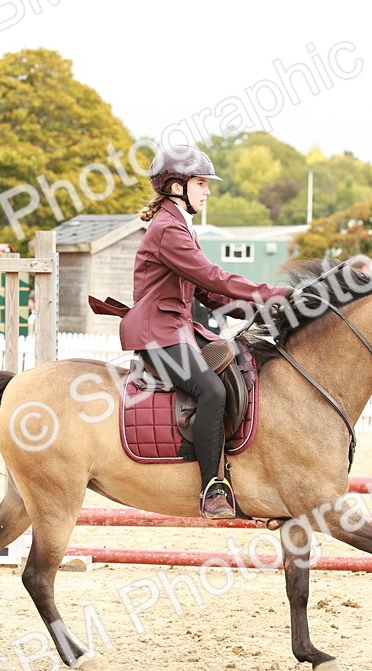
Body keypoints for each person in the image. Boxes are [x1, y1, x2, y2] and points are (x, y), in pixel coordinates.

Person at [119, 145, 293, 519]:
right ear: (176, 186)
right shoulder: (168, 229)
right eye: (201, 183)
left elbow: (207, 292)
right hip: (156, 334)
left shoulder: (179, 224)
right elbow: (212, 276)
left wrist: (258, 309)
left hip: (177, 329)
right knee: (210, 389)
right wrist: (270, 292)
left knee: (239, 364)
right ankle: (212, 487)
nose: (207, 190)